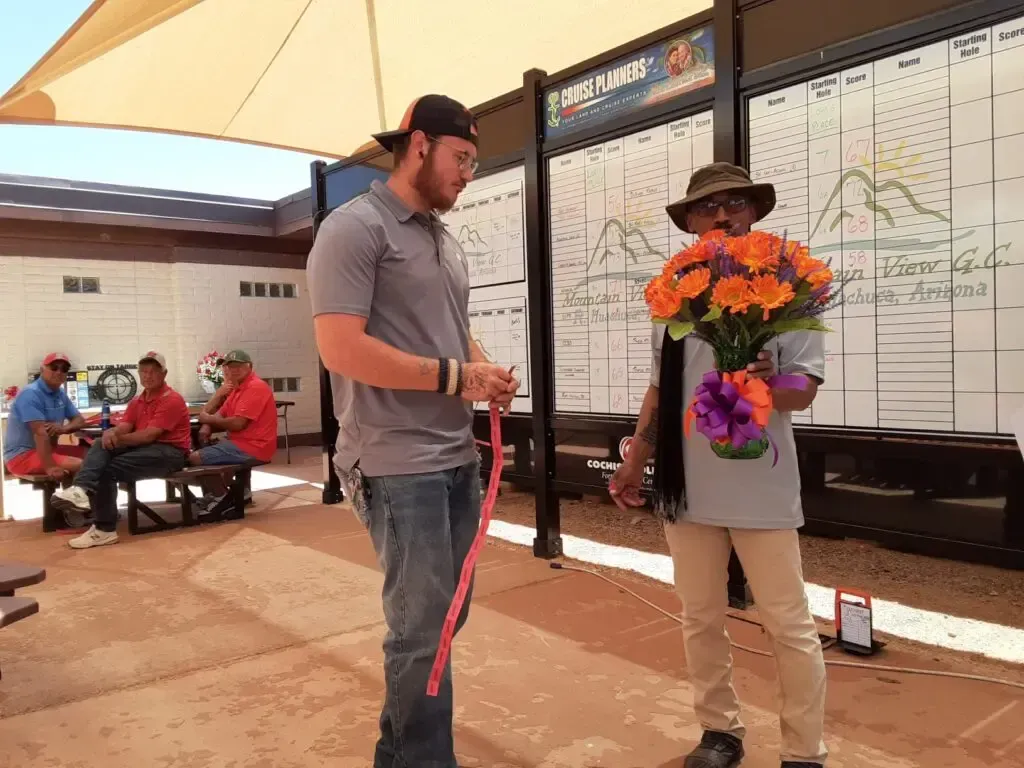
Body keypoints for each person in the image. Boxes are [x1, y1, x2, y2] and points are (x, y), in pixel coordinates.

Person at [306, 93, 519, 768]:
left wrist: (481, 368)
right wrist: (457, 378)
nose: (467, 175)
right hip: (397, 462)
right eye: (461, 159)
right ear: (419, 145)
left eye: (474, 163)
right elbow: (340, 348)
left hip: (456, 455)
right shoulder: (353, 229)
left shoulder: (440, 237)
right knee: (421, 629)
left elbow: (451, 334)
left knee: (444, 616)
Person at [610, 162, 828, 768]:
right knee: (699, 615)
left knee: (787, 622)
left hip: (762, 482)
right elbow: (659, 391)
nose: (724, 215)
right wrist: (636, 461)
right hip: (689, 487)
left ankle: (804, 751)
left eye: (735, 203)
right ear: (692, 225)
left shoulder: (788, 286)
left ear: (754, 214)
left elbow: (804, 389)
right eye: (709, 208)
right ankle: (719, 733)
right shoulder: (674, 297)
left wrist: (768, 382)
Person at [52, 351, 193, 550]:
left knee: (106, 466)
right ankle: (82, 492)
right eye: (144, 371)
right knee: (101, 444)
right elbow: (126, 426)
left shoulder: (172, 399)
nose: (148, 375)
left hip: (170, 453)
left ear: (164, 373)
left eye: (153, 371)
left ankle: (103, 527)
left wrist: (116, 438)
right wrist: (112, 432)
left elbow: (148, 435)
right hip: (147, 449)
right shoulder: (137, 400)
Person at [188, 349, 277, 505]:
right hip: (241, 442)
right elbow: (212, 415)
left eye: (237, 366)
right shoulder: (236, 389)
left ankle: (222, 498)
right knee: (209, 447)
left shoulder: (255, 387)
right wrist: (217, 398)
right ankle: (239, 494)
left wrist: (208, 420)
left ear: (249, 367)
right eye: (228, 367)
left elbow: (237, 424)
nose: (231, 370)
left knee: (194, 457)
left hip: (255, 446)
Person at [3, 352, 87, 481]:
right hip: (22, 457)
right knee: (82, 465)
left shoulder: (60, 394)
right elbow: (40, 433)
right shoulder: (31, 394)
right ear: (42, 369)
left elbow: (79, 420)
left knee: (95, 457)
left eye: (64, 369)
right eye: (54, 368)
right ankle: (69, 498)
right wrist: (50, 466)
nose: (59, 372)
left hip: (50, 450)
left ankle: (76, 497)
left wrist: (63, 429)